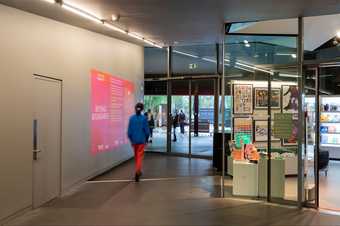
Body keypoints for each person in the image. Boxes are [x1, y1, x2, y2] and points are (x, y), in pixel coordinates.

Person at [128, 103, 150, 182]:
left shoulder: (131, 118)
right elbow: (147, 131)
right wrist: (147, 139)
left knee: (136, 156)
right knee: (139, 157)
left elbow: (129, 132)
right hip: (141, 141)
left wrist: (131, 140)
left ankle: (138, 170)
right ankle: (137, 171)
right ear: (142, 109)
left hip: (134, 141)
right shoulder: (144, 118)